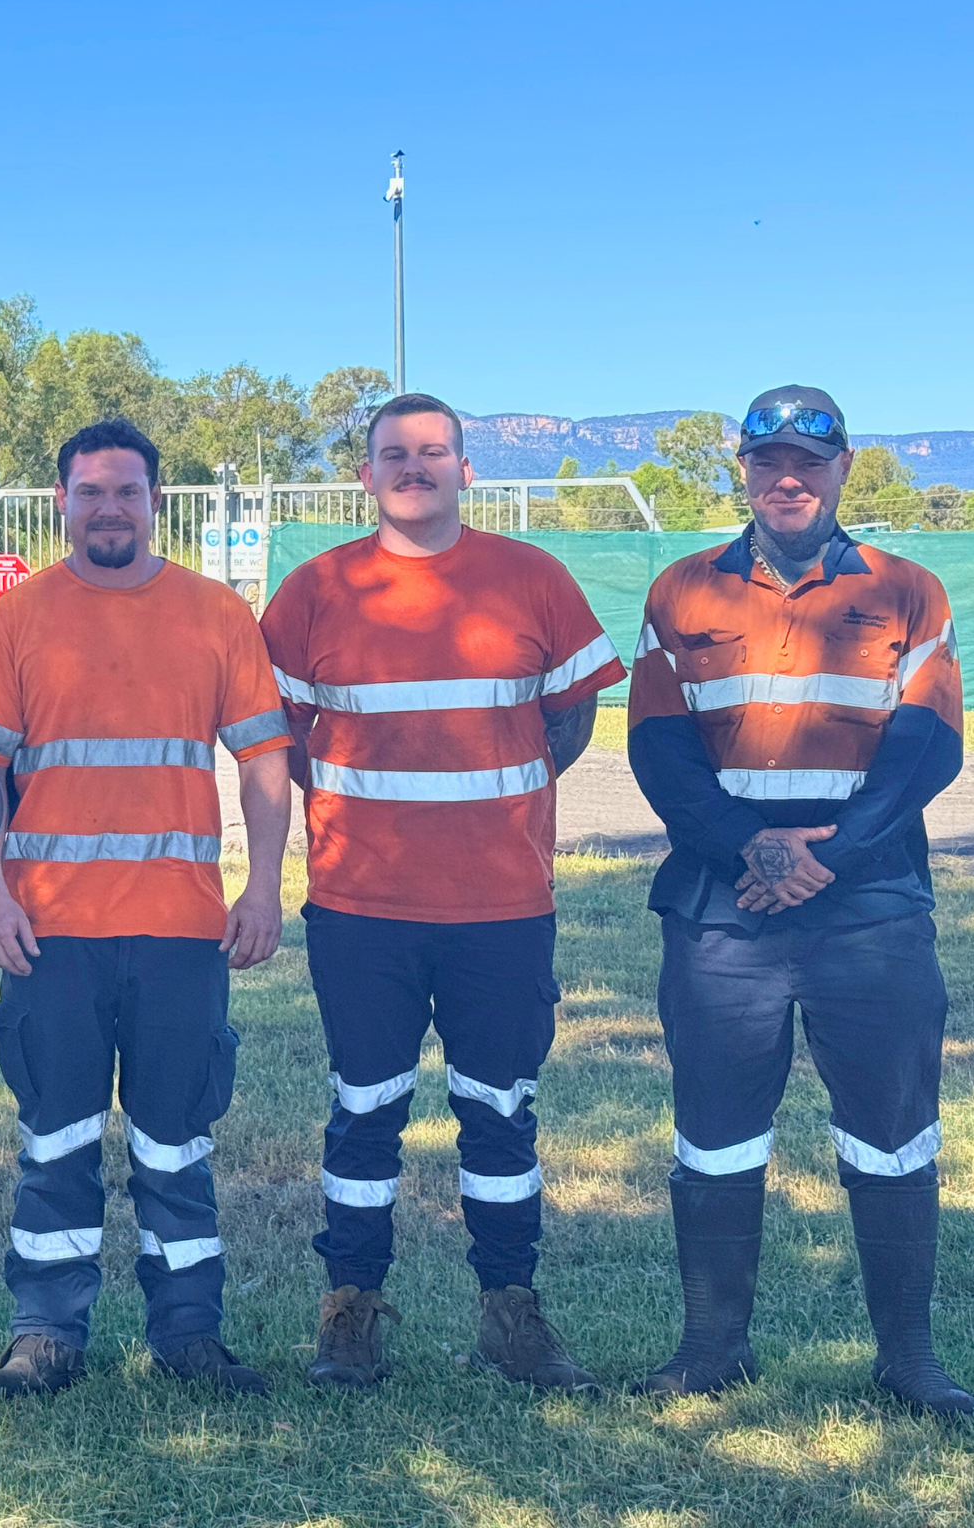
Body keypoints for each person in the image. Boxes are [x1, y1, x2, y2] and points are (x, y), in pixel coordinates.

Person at [259, 393, 625, 1392]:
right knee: (363, 1111)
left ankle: (510, 1313)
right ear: (365, 475)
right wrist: (358, 800)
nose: (412, 467)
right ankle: (348, 1313)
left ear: (465, 469)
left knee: (499, 1112)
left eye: (431, 452)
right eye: (393, 454)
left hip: (499, 905)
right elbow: (276, 729)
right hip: (359, 905)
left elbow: (571, 712)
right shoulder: (315, 589)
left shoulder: (529, 576)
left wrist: (501, 796)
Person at [628, 385, 967, 1413]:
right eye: (766, 461)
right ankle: (709, 1348)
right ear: (741, 470)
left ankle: (906, 1360)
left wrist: (834, 856)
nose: (787, 480)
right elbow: (656, 748)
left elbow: (927, 746)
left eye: (807, 464)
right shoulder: (679, 591)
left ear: (841, 470)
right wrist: (750, 847)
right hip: (720, 913)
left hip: (870, 913)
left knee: (892, 1133)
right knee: (714, 1132)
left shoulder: (908, 591)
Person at [0, 418, 293, 1398]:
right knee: (54, 1140)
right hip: (49, 931)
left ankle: (188, 1334)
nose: (109, 508)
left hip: (180, 930)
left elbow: (262, 759)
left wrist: (262, 885)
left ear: (154, 501)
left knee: (174, 1142)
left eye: (126, 491)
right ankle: (43, 1333)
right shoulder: (16, 618)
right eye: (90, 491)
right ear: (61, 500)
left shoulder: (213, 613)